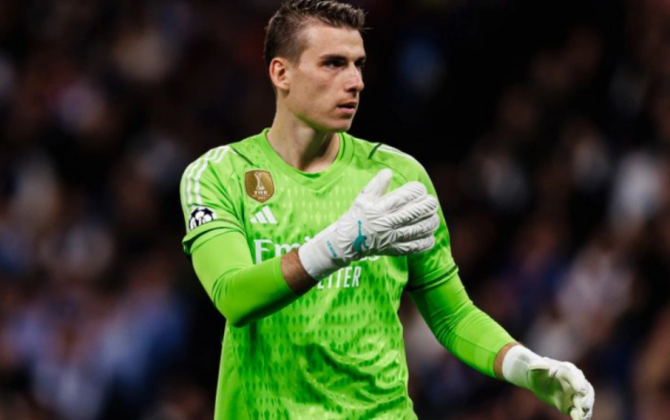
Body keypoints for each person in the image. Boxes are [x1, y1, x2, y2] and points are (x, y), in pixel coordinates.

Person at [178, 0, 595, 418]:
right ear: (281, 73)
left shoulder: (398, 177)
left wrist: (525, 366)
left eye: (358, 65)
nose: (355, 81)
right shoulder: (220, 174)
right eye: (333, 63)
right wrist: (335, 246)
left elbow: (452, 316)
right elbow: (233, 295)